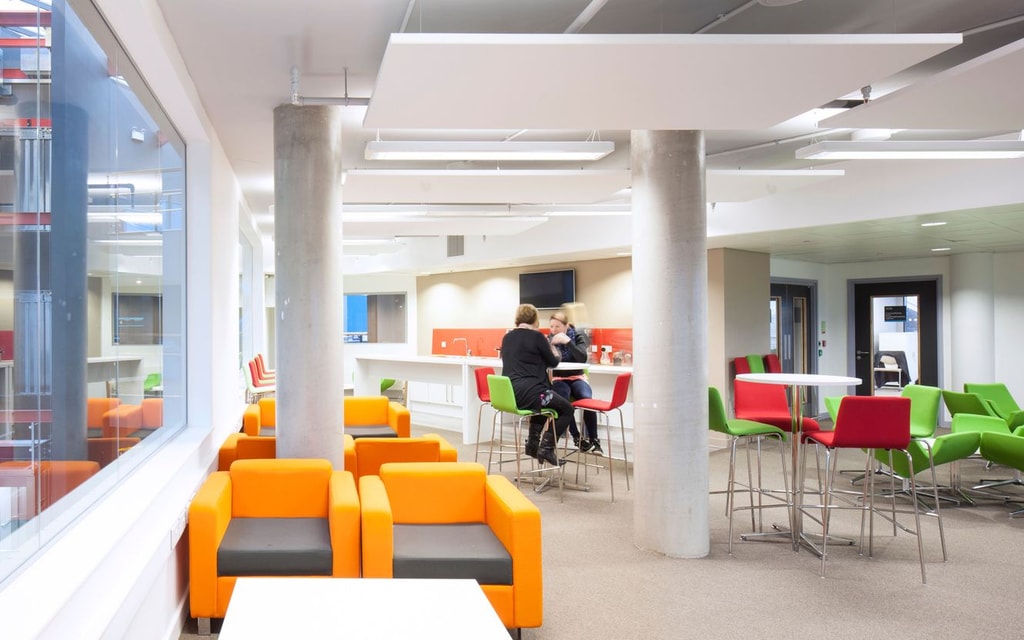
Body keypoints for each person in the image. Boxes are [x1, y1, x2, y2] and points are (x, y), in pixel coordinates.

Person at [500, 303, 574, 466]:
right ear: (535, 320)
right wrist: (554, 349)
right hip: (531, 393)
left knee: (544, 403)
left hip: (510, 393)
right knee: (567, 409)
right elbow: (553, 362)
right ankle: (547, 448)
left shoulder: (507, 337)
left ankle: (533, 444)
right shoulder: (537, 337)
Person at [549, 310, 603, 455]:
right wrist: (552, 347)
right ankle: (577, 438)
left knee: (586, 398)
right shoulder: (549, 339)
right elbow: (547, 361)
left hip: (577, 378)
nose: (554, 330)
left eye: (557, 327)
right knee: (563, 402)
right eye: (551, 327)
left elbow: (581, 357)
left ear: (566, 326)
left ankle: (594, 440)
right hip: (559, 379)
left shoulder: (577, 337)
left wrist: (567, 342)